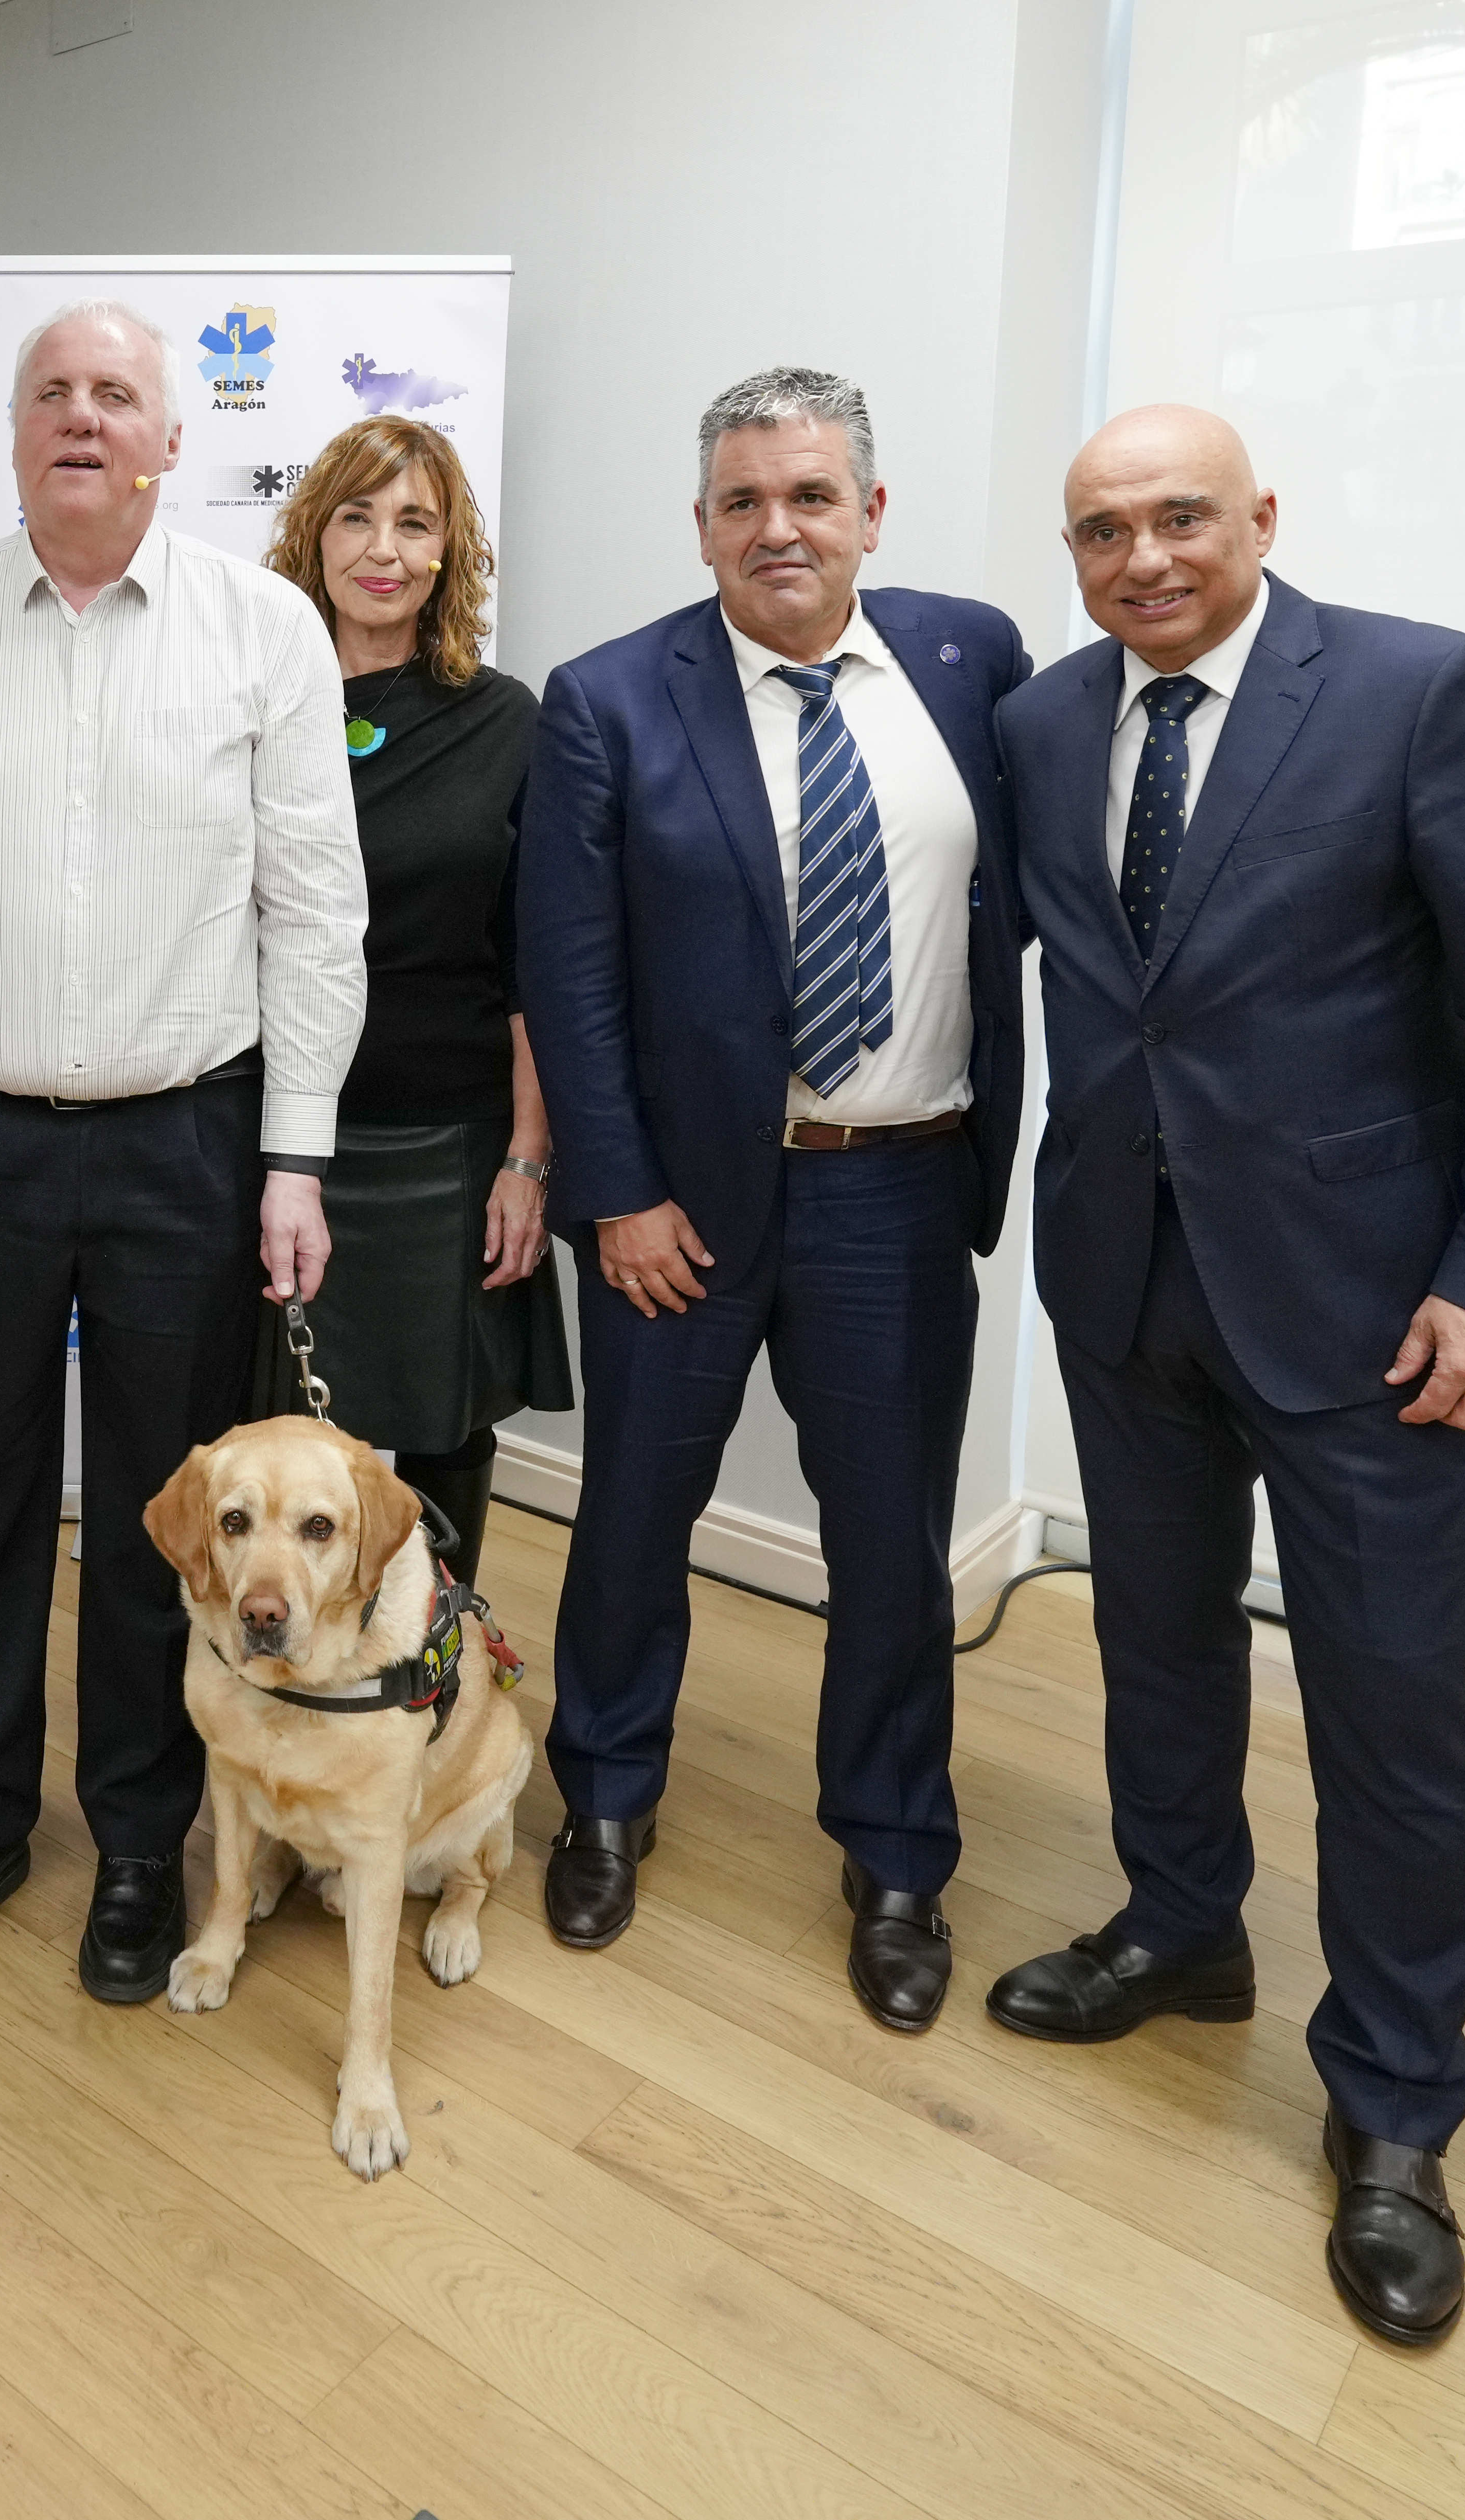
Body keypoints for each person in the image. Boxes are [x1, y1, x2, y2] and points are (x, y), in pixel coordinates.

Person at [987, 405, 1465, 2346]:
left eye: (1180, 517)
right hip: (1130, 1283)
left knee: (1389, 1710)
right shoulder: (1038, 723)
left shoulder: (1423, 695)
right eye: (1101, 530)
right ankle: (1181, 1927)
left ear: (1260, 517)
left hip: (1371, 1312)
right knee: (1153, 1647)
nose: (1142, 557)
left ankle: (1394, 2098)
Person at [0, 299, 367, 2004]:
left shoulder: (262, 628)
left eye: (116, 393)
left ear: (168, 439)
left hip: (185, 1145)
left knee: (158, 1521)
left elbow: (310, 909)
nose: (81, 416)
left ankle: (133, 1831)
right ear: (16, 428)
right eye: (50, 392)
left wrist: (293, 1157)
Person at [516, 368, 1031, 2031]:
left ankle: (893, 1852)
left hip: (894, 1184)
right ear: (699, 526)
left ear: (871, 513)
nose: (776, 527)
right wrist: (618, 1195)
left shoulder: (972, 664)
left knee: (889, 1550)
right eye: (741, 501)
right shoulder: (607, 698)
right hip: (682, 1210)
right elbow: (570, 974)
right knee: (629, 1517)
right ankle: (600, 1794)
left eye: (809, 495)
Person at [247, 416, 568, 1583]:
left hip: (442, 1136)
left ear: (449, 553)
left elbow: (536, 960)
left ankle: (433, 1683)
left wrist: (529, 1157)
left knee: (441, 1437)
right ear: (313, 532)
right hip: (268, 1130)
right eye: (356, 515)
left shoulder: (507, 721)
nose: (383, 548)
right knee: (271, 1454)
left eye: (416, 522)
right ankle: (286, 1692)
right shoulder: (247, 701)